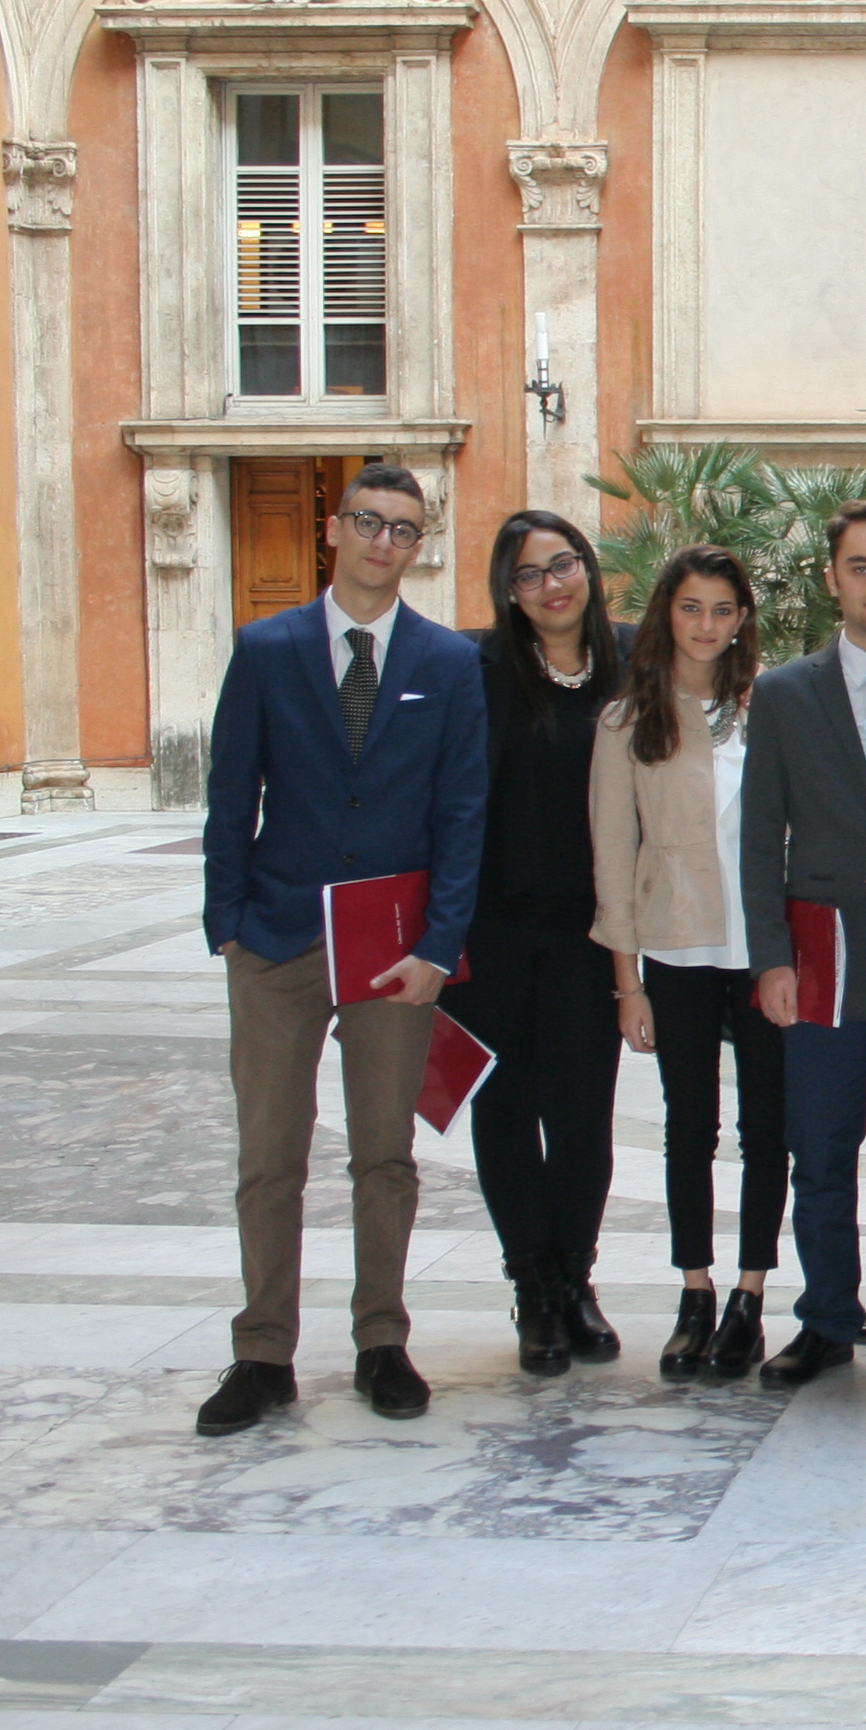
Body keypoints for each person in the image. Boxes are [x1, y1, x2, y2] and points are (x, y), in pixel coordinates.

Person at [192, 462, 485, 1437]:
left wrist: (441, 943)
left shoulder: (447, 662)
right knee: (269, 1154)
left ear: (417, 546)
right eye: (367, 521)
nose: (381, 542)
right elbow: (231, 793)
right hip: (277, 936)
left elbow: (463, 813)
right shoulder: (267, 649)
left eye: (402, 529)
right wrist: (228, 922)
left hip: (392, 947)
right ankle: (261, 1352)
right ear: (333, 529)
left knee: (384, 1154)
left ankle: (380, 1340)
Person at [741, 499, 866, 1403]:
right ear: (833, 578)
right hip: (821, 962)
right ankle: (825, 1320)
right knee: (819, 1152)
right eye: (862, 567)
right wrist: (770, 958)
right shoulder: (786, 694)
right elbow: (759, 838)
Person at [592, 546, 782, 1382]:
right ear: (667, 613)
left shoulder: (770, 709)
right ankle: (695, 1292)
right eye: (691, 607)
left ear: (742, 620)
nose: (706, 625)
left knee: (768, 1129)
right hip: (676, 947)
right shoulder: (627, 721)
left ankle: (749, 1297)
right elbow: (612, 854)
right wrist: (627, 983)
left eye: (722, 610)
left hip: (764, 952)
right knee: (689, 1128)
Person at [449, 510, 632, 1375]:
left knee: (584, 1114)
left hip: (593, 935)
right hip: (491, 929)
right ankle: (533, 1287)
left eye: (563, 565)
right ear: (508, 592)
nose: (551, 585)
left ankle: (577, 1278)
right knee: (506, 1110)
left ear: (587, 569)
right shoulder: (475, 670)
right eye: (529, 574)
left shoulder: (633, 660)